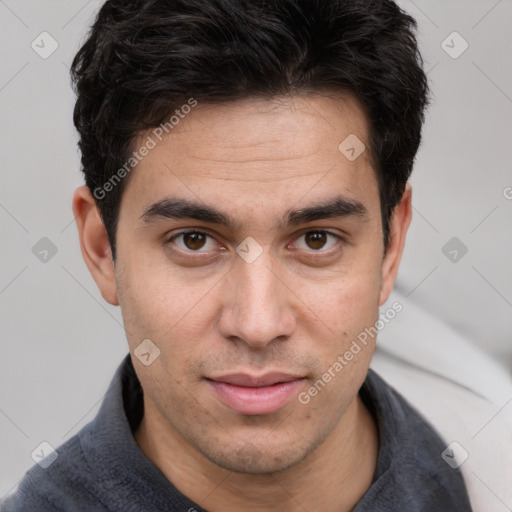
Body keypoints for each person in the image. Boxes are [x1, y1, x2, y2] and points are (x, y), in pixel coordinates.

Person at [1, 0, 474, 510]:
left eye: (317, 239)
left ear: (391, 244)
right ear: (101, 249)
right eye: (194, 240)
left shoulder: (491, 466)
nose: (257, 324)